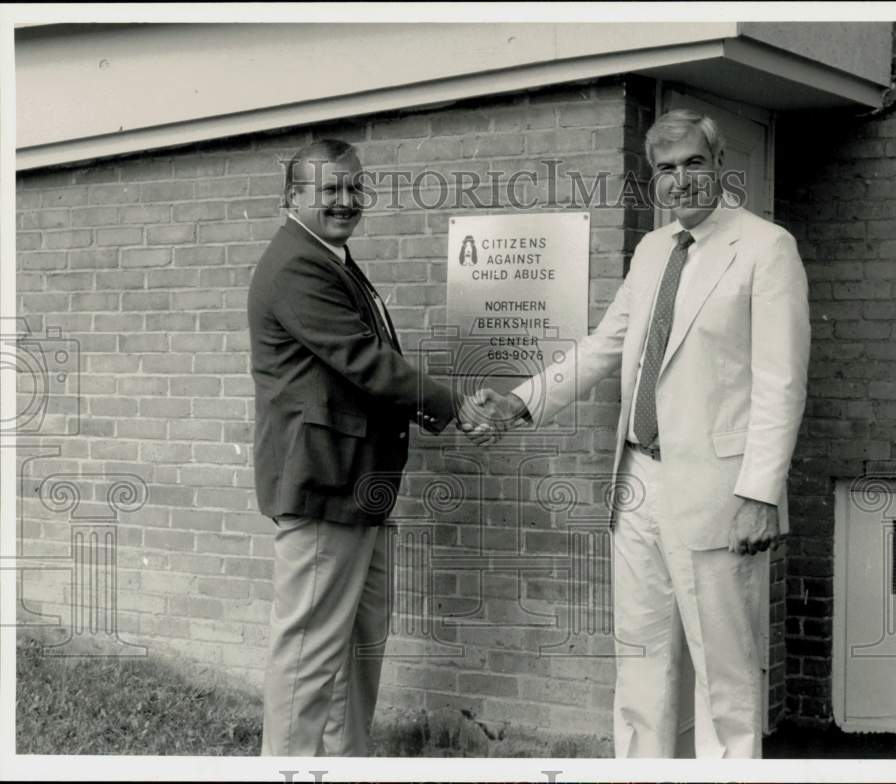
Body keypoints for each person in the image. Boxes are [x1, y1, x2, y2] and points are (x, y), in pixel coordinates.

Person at [473, 109, 810, 758]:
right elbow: (606, 345)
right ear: (652, 180)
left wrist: (761, 493)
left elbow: (782, 383)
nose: (680, 181)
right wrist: (521, 402)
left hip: (722, 494)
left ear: (718, 166)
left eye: (692, 164)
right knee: (642, 663)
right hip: (636, 486)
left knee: (727, 682)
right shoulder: (653, 250)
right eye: (665, 169)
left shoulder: (767, 248)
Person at [248, 139, 484, 756]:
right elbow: (365, 362)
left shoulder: (333, 258)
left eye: (354, 188)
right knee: (309, 654)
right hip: (324, 486)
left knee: (358, 647)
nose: (346, 201)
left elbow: (368, 366)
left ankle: (344, 766)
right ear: (292, 198)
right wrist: (453, 405)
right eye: (329, 191)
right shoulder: (299, 264)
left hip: (357, 488)